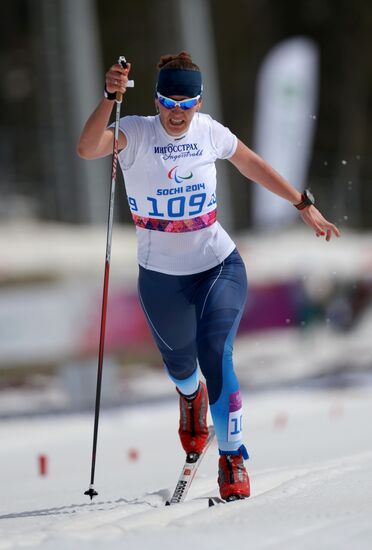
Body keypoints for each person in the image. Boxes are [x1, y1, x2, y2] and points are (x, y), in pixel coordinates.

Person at [77, 52, 340, 501]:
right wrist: (108, 99)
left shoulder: (209, 132)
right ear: (156, 99)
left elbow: (253, 165)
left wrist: (302, 203)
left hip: (218, 265)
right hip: (161, 277)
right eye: (168, 101)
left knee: (215, 350)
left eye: (187, 102)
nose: (177, 112)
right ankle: (190, 396)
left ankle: (233, 456)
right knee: (181, 366)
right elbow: (87, 148)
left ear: (198, 101)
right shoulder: (136, 131)